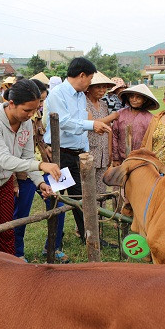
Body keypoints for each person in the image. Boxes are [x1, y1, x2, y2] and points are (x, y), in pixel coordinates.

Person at [0, 79, 61, 254]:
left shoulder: (25, 124)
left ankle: (8, 271)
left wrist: (40, 183)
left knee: (7, 230)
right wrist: (41, 165)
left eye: (35, 110)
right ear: (11, 103)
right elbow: (5, 160)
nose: (31, 115)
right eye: (27, 110)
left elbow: (27, 156)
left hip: (4, 181)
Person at [43, 57, 110, 242]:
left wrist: (85, 150)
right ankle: (53, 243)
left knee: (81, 198)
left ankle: (89, 238)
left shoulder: (81, 95)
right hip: (60, 155)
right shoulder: (57, 94)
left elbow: (80, 129)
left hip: (77, 155)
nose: (90, 83)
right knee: (57, 199)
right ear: (81, 75)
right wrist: (92, 124)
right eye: (89, 78)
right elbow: (63, 122)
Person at [13, 79, 68, 262]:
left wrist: (47, 148)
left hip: (45, 165)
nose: (39, 107)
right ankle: (18, 252)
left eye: (43, 101)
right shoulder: (18, 118)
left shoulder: (37, 117)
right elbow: (10, 154)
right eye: (39, 102)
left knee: (59, 205)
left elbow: (38, 140)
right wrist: (13, 180)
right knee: (21, 214)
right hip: (23, 172)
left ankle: (53, 246)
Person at [85, 72, 119, 195]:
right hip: (90, 151)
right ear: (89, 88)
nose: (102, 90)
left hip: (103, 151)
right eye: (98, 87)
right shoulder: (83, 102)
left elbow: (108, 128)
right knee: (89, 188)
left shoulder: (103, 105)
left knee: (101, 189)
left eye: (104, 87)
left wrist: (109, 150)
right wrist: (112, 116)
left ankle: (101, 214)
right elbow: (90, 123)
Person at [112, 84, 158, 166]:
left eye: (138, 98)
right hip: (121, 158)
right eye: (132, 97)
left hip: (141, 159)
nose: (134, 100)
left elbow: (151, 140)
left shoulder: (150, 118)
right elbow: (114, 135)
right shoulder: (120, 114)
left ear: (144, 100)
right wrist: (115, 158)